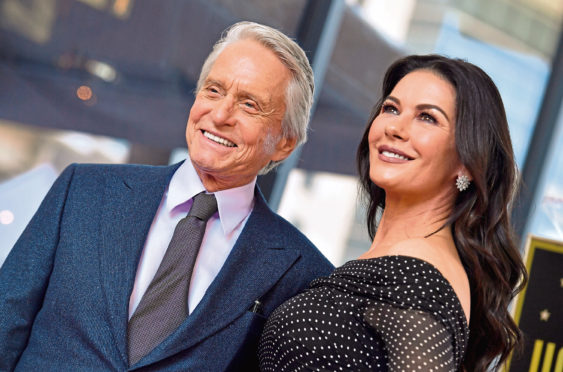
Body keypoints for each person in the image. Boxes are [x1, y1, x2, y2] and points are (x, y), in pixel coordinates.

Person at [0, 21, 333, 371]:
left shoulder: (302, 275)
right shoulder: (83, 191)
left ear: (284, 143)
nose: (220, 115)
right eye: (214, 91)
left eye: (249, 105)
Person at [259, 54, 527, 372]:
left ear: (466, 160)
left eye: (427, 117)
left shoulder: (418, 281)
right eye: (391, 108)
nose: (396, 128)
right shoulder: (395, 267)